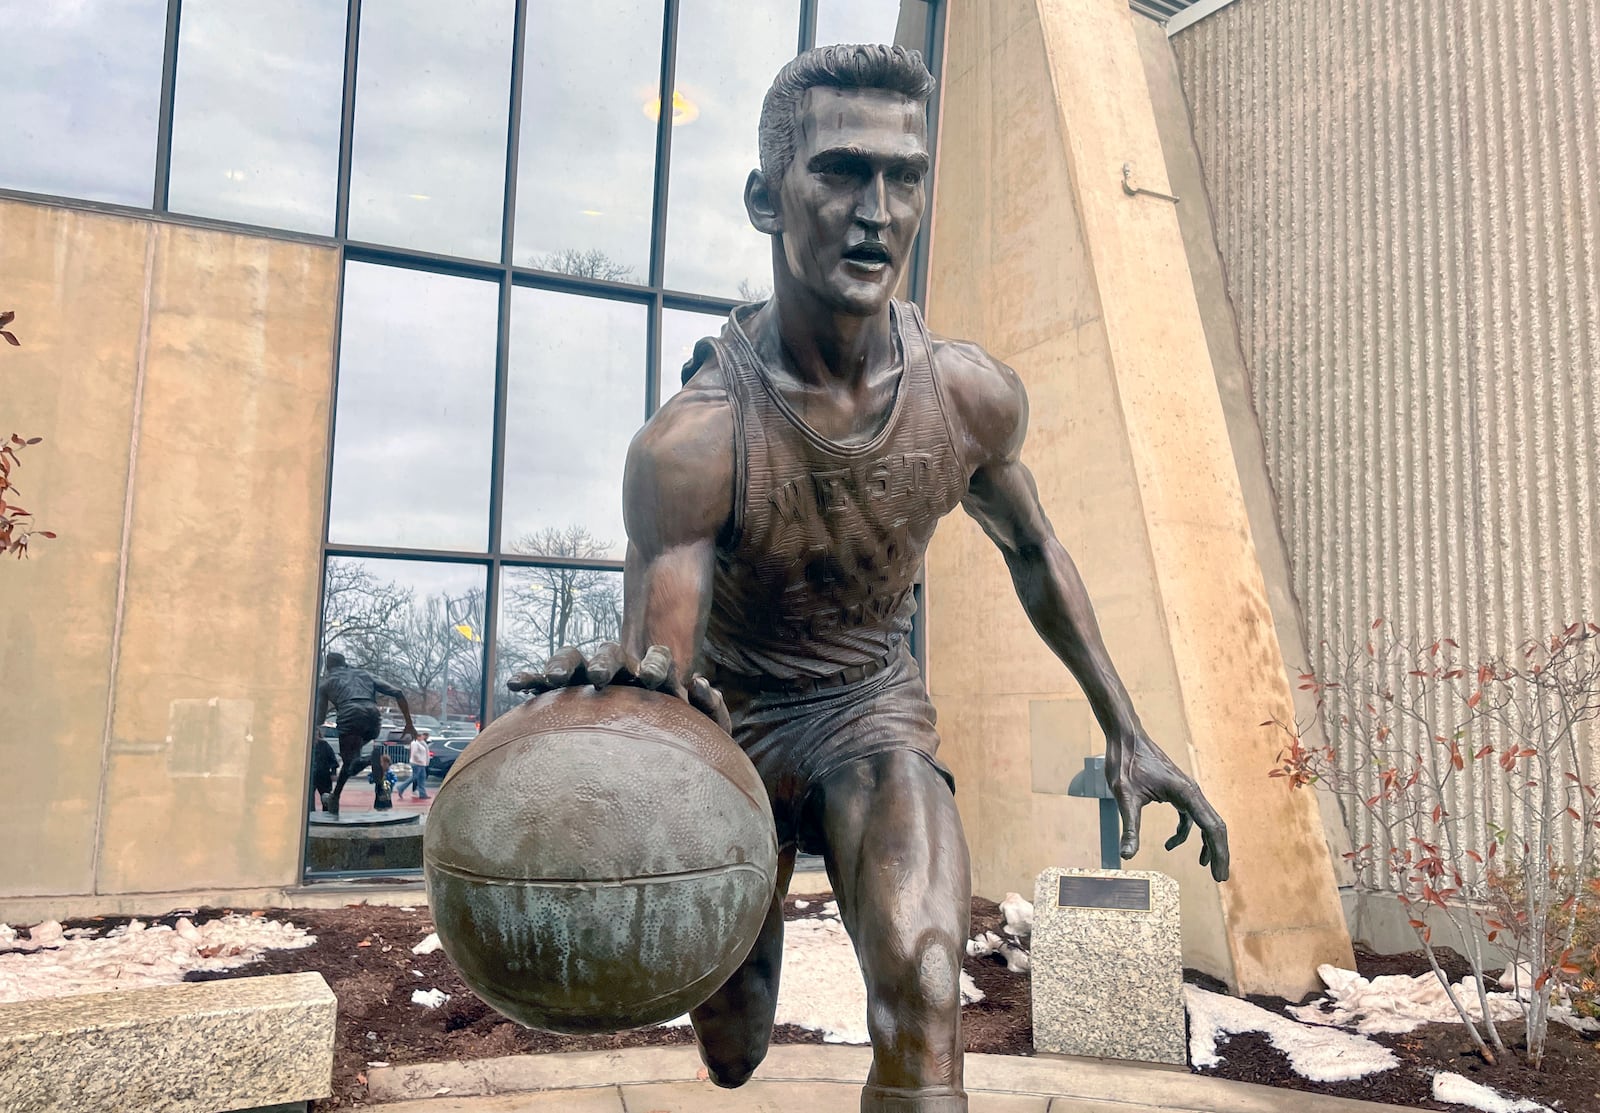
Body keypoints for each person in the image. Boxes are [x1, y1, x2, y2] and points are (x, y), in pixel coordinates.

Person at [510, 44, 1228, 1113]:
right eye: (840, 172)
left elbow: (1035, 550)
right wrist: (617, 704)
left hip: (867, 712)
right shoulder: (693, 444)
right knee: (732, 1049)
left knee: (925, 986)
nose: (876, 211)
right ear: (766, 198)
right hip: (731, 727)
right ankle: (730, 999)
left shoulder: (969, 397)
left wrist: (1125, 725)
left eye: (904, 177)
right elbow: (667, 665)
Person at [313, 651, 416, 817]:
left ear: (328, 667)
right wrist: (409, 723)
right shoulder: (364, 674)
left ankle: (370, 758)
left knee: (351, 763)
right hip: (373, 716)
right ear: (345, 663)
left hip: (350, 716)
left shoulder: (326, 684)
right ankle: (334, 797)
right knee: (349, 764)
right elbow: (397, 692)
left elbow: (320, 718)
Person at [400, 730, 431, 801]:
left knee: (422, 779)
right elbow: (415, 754)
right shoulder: (415, 743)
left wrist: (425, 762)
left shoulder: (422, 743)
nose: (422, 737)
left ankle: (423, 794)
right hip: (417, 763)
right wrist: (419, 760)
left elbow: (425, 752)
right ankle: (401, 788)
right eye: (420, 736)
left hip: (422, 764)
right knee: (415, 777)